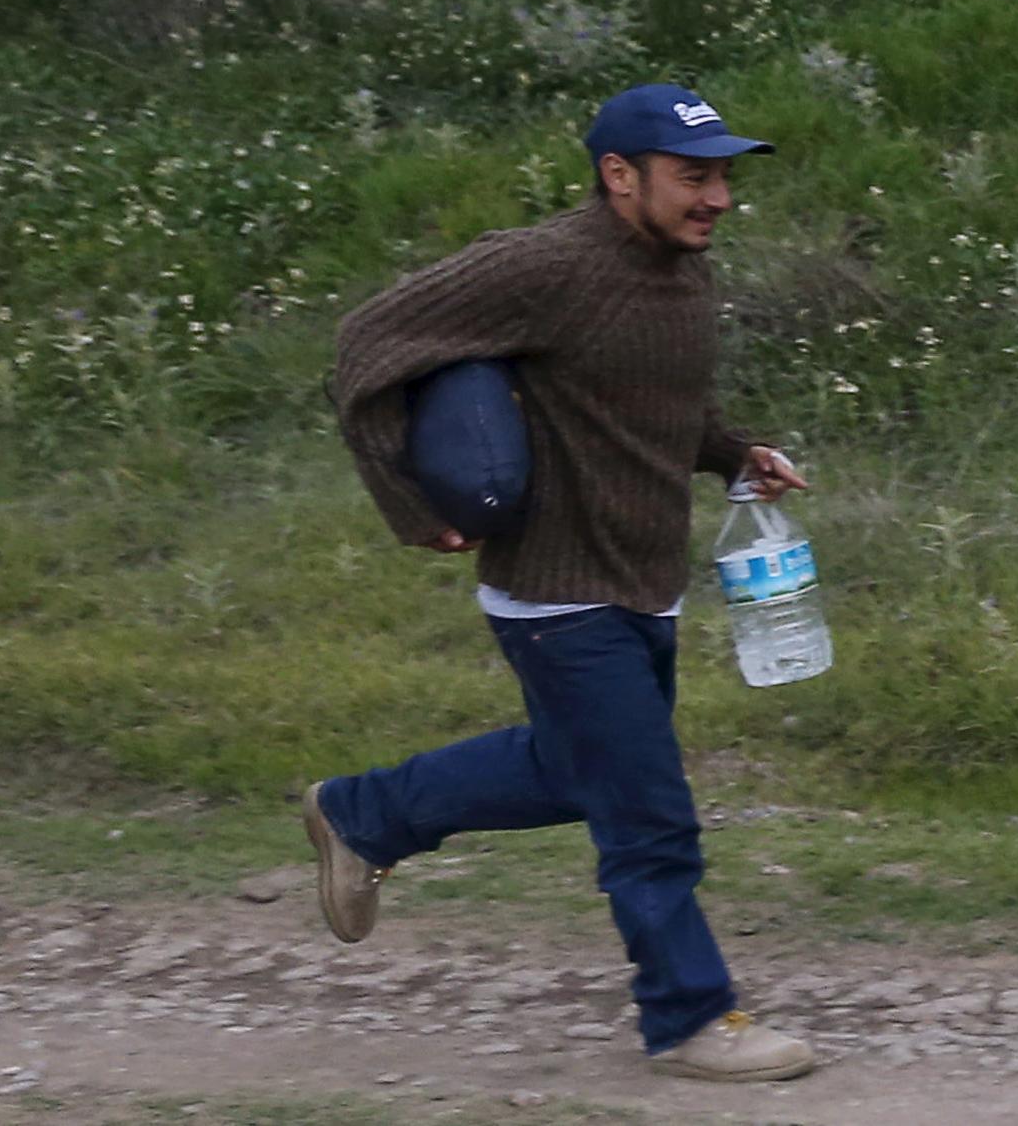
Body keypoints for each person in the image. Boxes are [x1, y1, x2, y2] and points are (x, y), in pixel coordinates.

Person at [302, 82, 818, 1083]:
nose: (715, 198)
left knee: (574, 771)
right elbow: (367, 342)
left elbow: (648, 400)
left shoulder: (681, 270)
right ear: (618, 175)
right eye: (691, 177)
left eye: (721, 177)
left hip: (642, 580)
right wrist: (410, 505)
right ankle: (689, 1017)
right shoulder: (545, 265)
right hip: (556, 594)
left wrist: (733, 453)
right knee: (647, 812)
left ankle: (362, 815)